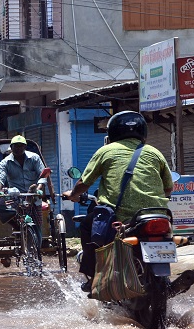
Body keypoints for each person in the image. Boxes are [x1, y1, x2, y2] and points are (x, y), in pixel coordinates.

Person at [61, 111, 174, 291]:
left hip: (119, 216)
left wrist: (74, 195)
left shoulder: (105, 151)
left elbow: (84, 182)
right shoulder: (154, 152)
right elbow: (168, 188)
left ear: (113, 132)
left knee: (86, 226)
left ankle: (93, 277)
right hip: (156, 214)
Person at [0, 135, 48, 229]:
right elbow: (0, 179)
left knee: (38, 223)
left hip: (33, 195)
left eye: (20, 145)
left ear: (25, 147)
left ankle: (37, 238)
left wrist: (38, 189)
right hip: (16, 195)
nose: (18, 148)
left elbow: (42, 176)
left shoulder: (34, 158)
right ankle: (16, 227)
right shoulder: (5, 162)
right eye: (15, 146)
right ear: (11, 147)